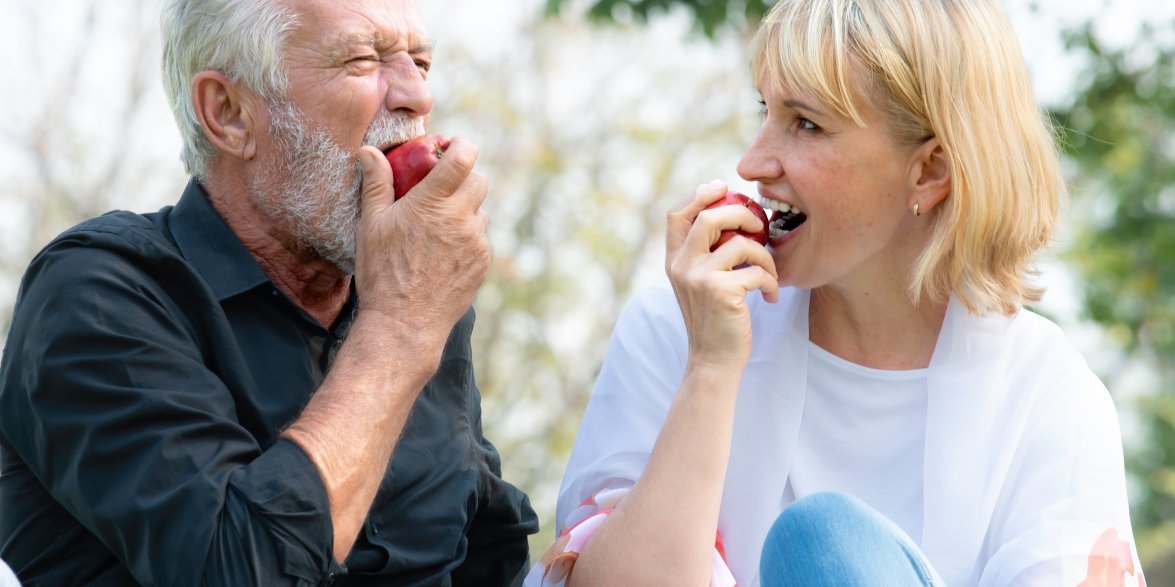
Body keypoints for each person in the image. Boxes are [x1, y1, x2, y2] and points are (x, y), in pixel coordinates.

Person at [526, 0, 1144, 586]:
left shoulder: (1048, 393)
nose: (753, 162)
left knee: (825, 543)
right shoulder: (675, 329)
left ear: (929, 171)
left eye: (805, 124)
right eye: (762, 111)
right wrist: (710, 370)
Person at [0, 0, 538, 584]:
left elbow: (489, 559)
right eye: (363, 59)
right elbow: (239, 570)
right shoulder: (100, 293)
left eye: (421, 62)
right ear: (229, 114)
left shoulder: (408, 297)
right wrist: (401, 331)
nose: (417, 95)